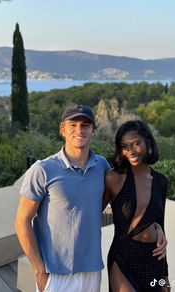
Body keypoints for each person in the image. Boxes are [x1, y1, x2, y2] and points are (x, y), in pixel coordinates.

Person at [15, 105, 167, 292]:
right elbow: (22, 221)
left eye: (85, 125)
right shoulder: (43, 169)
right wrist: (39, 271)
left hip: (92, 271)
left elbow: (108, 205)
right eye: (73, 125)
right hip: (55, 272)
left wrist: (155, 227)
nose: (79, 130)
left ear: (93, 131)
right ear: (62, 129)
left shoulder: (102, 166)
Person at [103, 120, 170, 292]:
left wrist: (165, 276)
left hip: (154, 260)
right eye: (125, 146)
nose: (130, 151)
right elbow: (92, 216)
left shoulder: (161, 181)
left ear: (147, 141)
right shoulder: (114, 178)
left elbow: (160, 223)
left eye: (136, 144)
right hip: (123, 258)